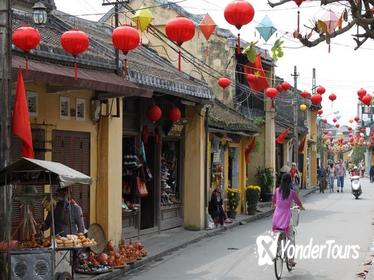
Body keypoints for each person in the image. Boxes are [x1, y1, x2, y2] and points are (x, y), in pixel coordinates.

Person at [272, 173, 305, 267]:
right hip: (286, 217)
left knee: (277, 235)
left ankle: (276, 252)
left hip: (277, 217)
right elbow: (298, 202)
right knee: (290, 238)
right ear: (290, 182)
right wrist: (302, 207)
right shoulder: (292, 192)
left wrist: (277, 205)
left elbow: (273, 201)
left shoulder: (277, 190)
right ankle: (291, 260)